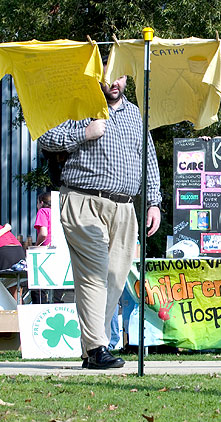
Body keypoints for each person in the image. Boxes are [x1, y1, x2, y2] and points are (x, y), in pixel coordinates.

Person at [37, 59, 162, 370]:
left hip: (124, 208)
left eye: (118, 77)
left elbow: (148, 161)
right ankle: (96, 349)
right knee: (94, 275)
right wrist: (85, 133)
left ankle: (93, 349)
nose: (113, 84)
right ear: (98, 79)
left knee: (115, 279)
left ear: (126, 79)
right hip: (83, 202)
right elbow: (45, 137)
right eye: (107, 78)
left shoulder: (135, 115)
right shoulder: (80, 108)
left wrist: (155, 202)